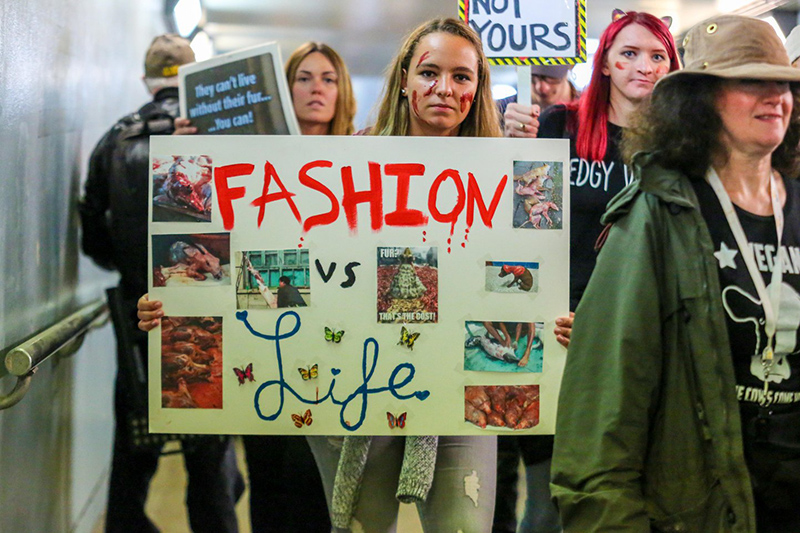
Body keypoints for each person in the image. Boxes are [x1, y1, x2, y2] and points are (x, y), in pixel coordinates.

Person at [552, 15, 800, 532]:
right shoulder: (660, 212)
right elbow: (608, 398)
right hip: (703, 504)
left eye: (784, 82)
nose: (776, 95)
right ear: (703, 98)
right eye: (752, 81)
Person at [142, 40, 356, 532]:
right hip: (261, 338)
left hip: (333, 342)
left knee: (322, 488)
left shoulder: (361, 153)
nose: (316, 88)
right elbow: (203, 239)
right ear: (285, 88)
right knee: (269, 482)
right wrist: (185, 147)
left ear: (342, 90)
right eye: (303, 78)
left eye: (328, 78)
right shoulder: (244, 160)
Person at [310, 18, 502, 532]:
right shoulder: (349, 163)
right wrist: (180, 306)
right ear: (404, 81)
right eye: (429, 72)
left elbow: (518, 277)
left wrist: (547, 315)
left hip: (462, 381)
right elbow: (302, 264)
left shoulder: (503, 177)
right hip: (357, 379)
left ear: (477, 89)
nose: (445, 88)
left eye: (462, 77)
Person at [494, 11, 680, 533]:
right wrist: (512, 144)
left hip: (632, 333)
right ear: (604, 64)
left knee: (620, 491)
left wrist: (602, 321)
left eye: (657, 55)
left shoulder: (679, 148)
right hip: (552, 329)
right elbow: (521, 229)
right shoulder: (559, 125)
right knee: (548, 502)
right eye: (629, 54)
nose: (643, 66)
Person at [79, 34, 244, 533]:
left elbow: (92, 237)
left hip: (138, 322)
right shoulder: (217, 139)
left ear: (144, 81)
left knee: (132, 456)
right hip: (209, 322)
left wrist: (137, 275)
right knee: (210, 464)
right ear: (194, 80)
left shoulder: (114, 140)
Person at [498, 64, 579, 139]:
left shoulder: (587, 111)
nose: (541, 88)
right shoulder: (498, 111)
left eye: (552, 78)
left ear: (571, 65)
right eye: (532, 77)